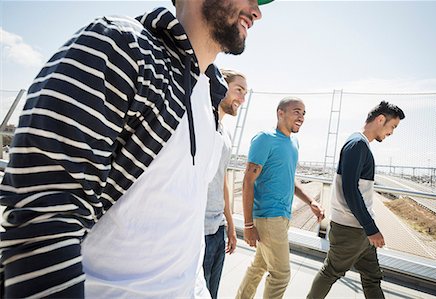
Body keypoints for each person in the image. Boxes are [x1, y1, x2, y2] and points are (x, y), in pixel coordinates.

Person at [0, 0, 273, 297]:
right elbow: (43, 220)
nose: (257, 11)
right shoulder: (121, 46)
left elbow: (182, 221)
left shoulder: (210, 93)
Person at [307, 101, 405, 299]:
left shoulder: (359, 144)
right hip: (351, 230)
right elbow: (350, 190)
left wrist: (369, 229)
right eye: (392, 126)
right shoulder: (357, 145)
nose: (392, 132)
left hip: (360, 231)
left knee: (372, 277)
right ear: (380, 119)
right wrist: (371, 228)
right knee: (331, 271)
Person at [236, 97, 325, 299]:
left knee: (259, 266)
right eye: (296, 111)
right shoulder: (265, 138)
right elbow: (248, 180)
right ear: (280, 112)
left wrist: (311, 201)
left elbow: (289, 180)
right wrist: (248, 225)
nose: (301, 116)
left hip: (282, 217)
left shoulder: (293, 143)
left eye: (303, 113)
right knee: (281, 275)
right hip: (268, 217)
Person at [202, 69, 247, 299]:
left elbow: (223, 182)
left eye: (245, 93)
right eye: (239, 90)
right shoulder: (202, 126)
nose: (242, 98)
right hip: (198, 232)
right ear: (220, 84)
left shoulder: (226, 135)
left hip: (217, 228)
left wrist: (230, 224)